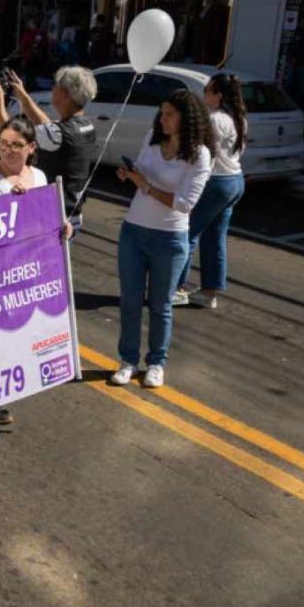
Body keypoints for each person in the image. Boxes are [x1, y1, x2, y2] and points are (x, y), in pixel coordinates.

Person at [112, 90, 214, 390]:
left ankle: (156, 362)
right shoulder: (152, 139)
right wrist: (130, 174)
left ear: (187, 118)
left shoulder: (199, 154)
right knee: (130, 301)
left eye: (170, 114)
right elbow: (143, 171)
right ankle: (127, 360)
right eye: (162, 112)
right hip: (134, 230)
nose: (163, 119)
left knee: (160, 305)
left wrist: (145, 187)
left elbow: (185, 203)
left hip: (169, 238)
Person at [0, 65, 97, 228]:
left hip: (52, 218)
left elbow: (7, 138)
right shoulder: (87, 125)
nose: (52, 89)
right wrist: (22, 94)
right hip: (72, 213)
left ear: (65, 95)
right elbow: (49, 128)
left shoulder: (60, 134)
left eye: (56, 86)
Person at [175, 74, 246, 309]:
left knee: (187, 232)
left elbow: (203, 154)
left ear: (219, 95)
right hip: (234, 180)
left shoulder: (215, 119)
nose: (204, 95)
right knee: (215, 238)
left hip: (215, 182)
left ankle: (176, 287)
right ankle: (209, 292)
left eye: (208, 91)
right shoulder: (239, 118)